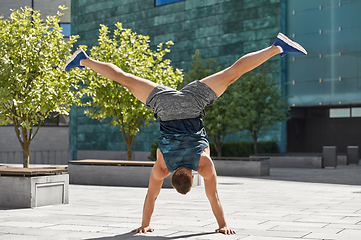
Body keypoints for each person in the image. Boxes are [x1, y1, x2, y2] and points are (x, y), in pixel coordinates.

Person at [64, 32, 307, 235]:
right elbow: (151, 197)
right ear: (173, 177)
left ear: (193, 176)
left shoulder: (205, 164)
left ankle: (277, 48)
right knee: (124, 79)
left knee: (233, 74)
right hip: (165, 105)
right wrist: (144, 225)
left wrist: (223, 226)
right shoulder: (162, 167)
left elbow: (214, 197)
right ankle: (83, 60)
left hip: (193, 103)